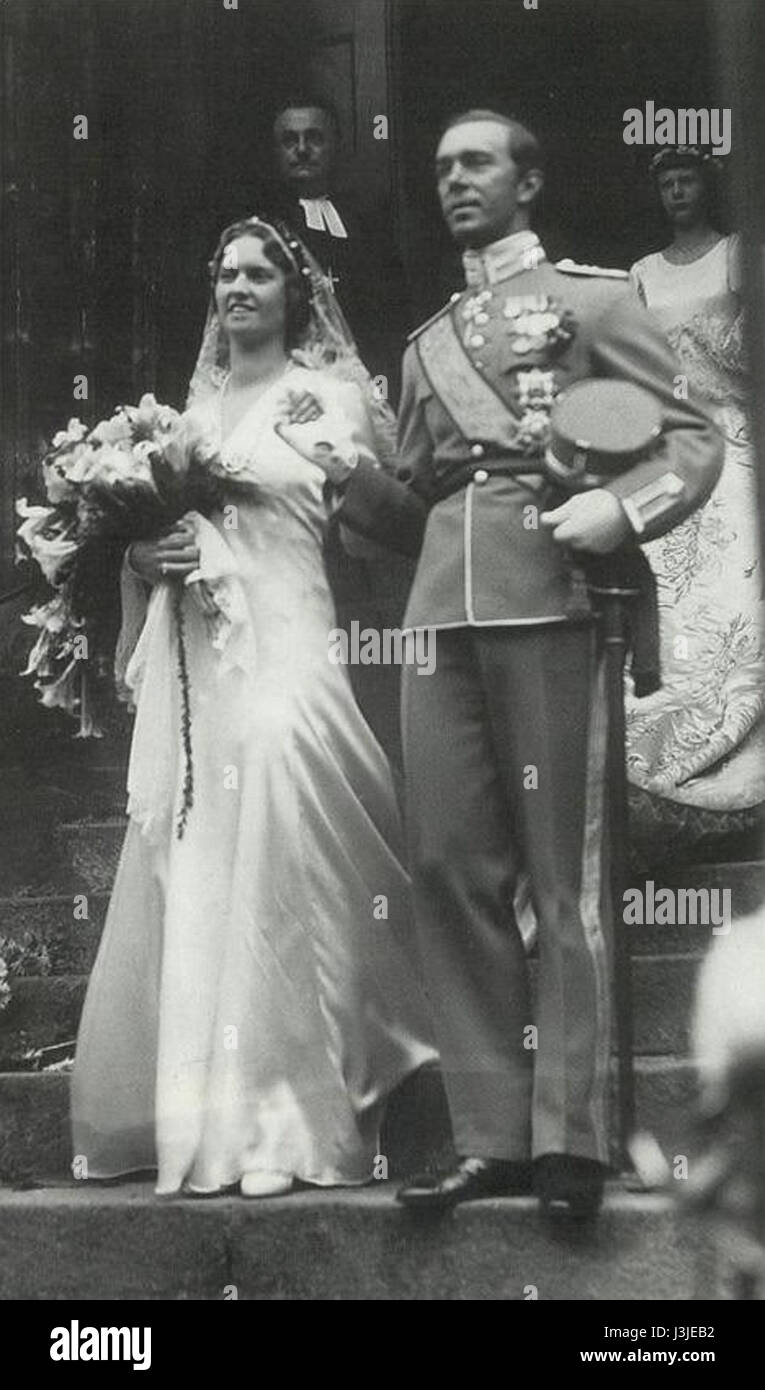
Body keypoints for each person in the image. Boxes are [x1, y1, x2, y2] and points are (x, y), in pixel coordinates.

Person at [281, 111, 723, 1220]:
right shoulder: (428, 342)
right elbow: (424, 501)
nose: (454, 182)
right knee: (449, 869)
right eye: (439, 168)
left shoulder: (593, 299)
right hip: (442, 620)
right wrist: (337, 472)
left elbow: (691, 440)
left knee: (560, 876)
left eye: (476, 162)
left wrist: (616, 511)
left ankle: (571, 1138)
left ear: (528, 179)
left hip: (552, 603)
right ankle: (492, 1133)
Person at [70, 217, 436, 1199]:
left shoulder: (326, 394)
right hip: (205, 660)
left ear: (294, 290)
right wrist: (146, 559)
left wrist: (339, 466)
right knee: (203, 857)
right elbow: (147, 540)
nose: (236, 287)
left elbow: (380, 522)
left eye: (257, 273)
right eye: (224, 272)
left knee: (292, 817)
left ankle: (293, 1116)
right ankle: (215, 1114)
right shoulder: (188, 413)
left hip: (291, 641)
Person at [627, 146, 764, 857]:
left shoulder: (735, 255)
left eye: (686, 180)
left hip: (737, 437)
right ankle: (671, 746)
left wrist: (710, 347)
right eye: (666, 183)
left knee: (739, 593)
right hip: (678, 447)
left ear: (704, 187)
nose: (677, 192)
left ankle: (739, 739)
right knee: (674, 593)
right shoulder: (644, 275)